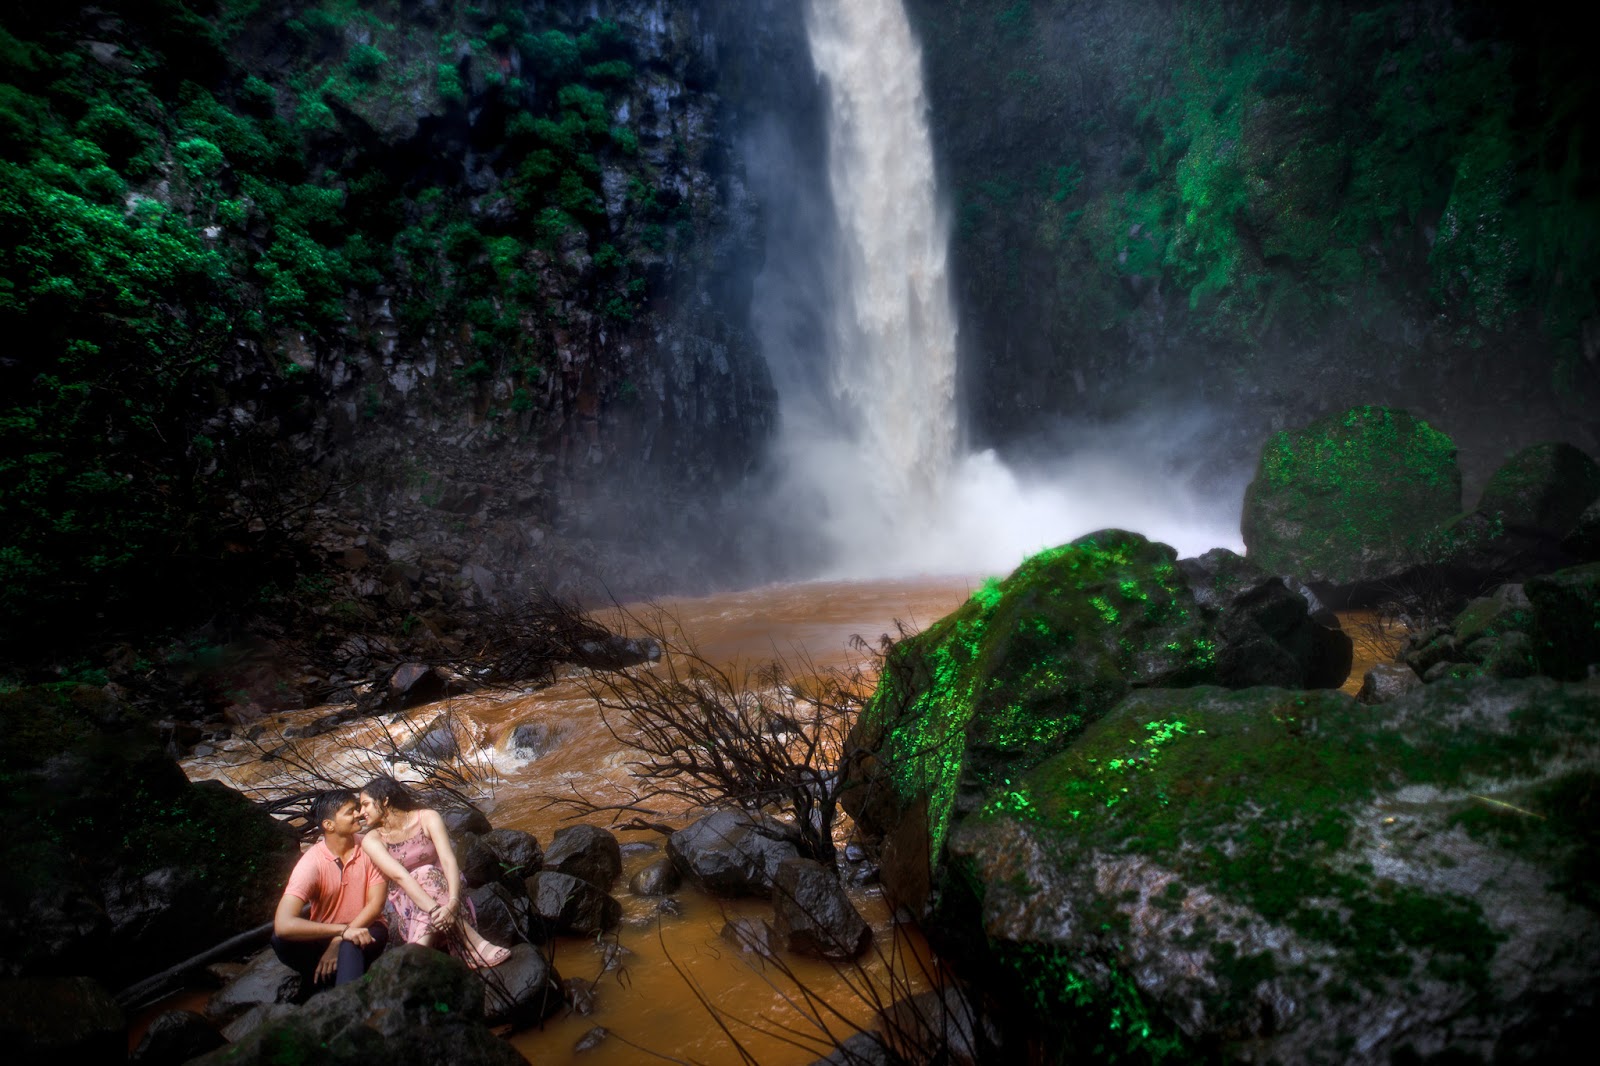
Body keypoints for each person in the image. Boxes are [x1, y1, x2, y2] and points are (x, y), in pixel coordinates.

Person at [357, 775, 510, 968]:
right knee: (422, 873)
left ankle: (417, 956)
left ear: (385, 801)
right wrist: (438, 910)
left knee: (428, 872)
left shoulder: (427, 818)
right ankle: (473, 942)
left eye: (365, 804)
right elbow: (399, 876)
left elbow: (448, 860)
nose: (361, 812)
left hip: (448, 890)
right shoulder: (373, 839)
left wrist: (453, 902)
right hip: (409, 901)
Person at [271, 789, 389, 990]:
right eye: (350, 812)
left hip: (368, 927)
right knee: (279, 940)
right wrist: (341, 932)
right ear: (329, 825)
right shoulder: (311, 863)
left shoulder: (370, 847)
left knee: (349, 943)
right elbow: (283, 924)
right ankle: (323, 977)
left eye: (357, 809)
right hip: (328, 932)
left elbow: (376, 905)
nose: (358, 814)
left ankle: (345, 998)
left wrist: (340, 939)